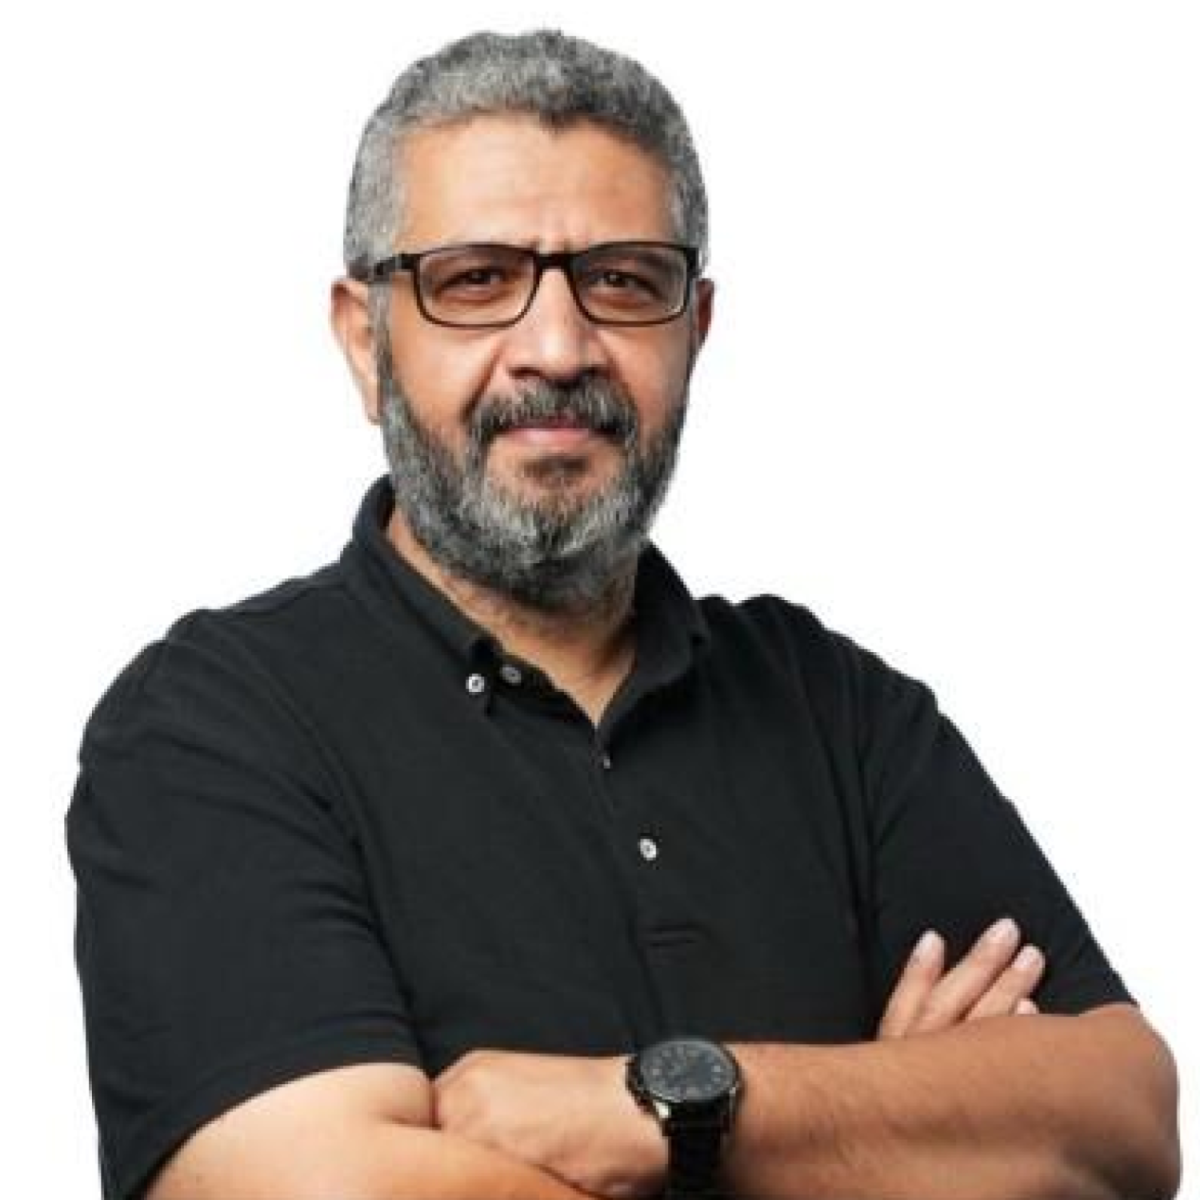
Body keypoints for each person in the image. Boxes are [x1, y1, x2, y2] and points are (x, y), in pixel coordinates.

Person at [67, 29, 1179, 1200]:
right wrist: (886, 1135)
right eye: (476, 280)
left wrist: (663, 1110)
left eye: (624, 281)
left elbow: (1126, 1118)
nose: (557, 349)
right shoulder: (210, 727)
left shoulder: (842, 712)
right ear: (366, 340)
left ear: (695, 329)